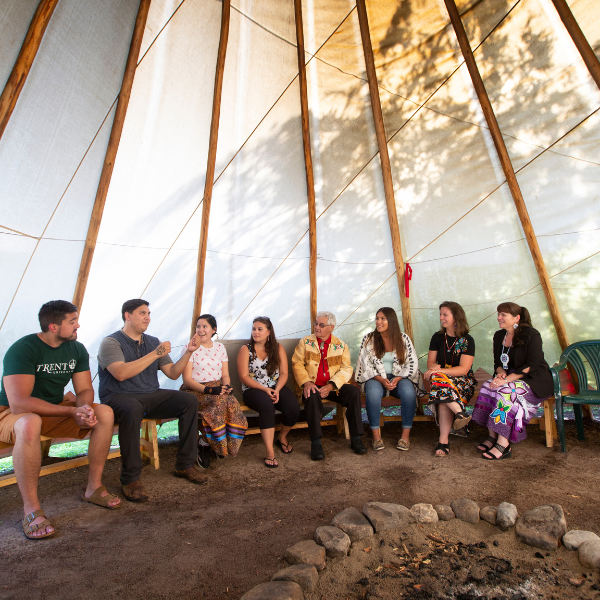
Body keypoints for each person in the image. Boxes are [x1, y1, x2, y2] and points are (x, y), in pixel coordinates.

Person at [0, 300, 121, 540]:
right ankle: (31, 510)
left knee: (104, 412)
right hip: (11, 413)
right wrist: (69, 412)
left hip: (54, 409)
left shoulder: (76, 349)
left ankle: (93, 488)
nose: (78, 325)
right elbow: (19, 403)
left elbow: (85, 388)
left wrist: (84, 409)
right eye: (72, 321)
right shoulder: (23, 349)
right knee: (29, 422)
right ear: (54, 327)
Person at [97, 299, 206, 502]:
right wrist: (155, 354)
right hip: (119, 396)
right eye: (142, 313)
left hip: (150, 394)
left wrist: (189, 352)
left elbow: (173, 374)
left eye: (148, 313)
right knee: (131, 408)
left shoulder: (153, 341)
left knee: (188, 400)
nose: (147, 317)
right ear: (127, 316)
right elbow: (120, 373)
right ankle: (130, 479)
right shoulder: (111, 342)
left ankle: (185, 465)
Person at [471, 302, 553, 460]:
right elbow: (498, 363)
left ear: (517, 318)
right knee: (488, 387)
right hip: (510, 376)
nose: (498, 318)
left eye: (503, 315)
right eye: (498, 314)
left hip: (534, 379)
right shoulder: (499, 335)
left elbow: (532, 365)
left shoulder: (531, 334)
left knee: (507, 392)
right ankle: (492, 435)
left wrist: (506, 380)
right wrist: (500, 375)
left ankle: (504, 444)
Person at [292, 311, 367, 460]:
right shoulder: (305, 342)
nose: (317, 327)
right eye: (316, 324)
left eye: (321, 325)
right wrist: (307, 382)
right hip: (312, 385)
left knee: (353, 392)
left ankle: (356, 438)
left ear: (331, 327)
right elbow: (297, 364)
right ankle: (316, 443)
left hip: (333, 387)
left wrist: (331, 385)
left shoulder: (341, 346)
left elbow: (346, 369)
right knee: (311, 395)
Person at [181, 314, 247, 468]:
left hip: (217, 388)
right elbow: (187, 380)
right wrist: (210, 390)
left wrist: (226, 387)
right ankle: (206, 444)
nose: (201, 330)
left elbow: (225, 374)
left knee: (231, 402)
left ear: (213, 330)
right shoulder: (189, 347)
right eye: (198, 327)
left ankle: (215, 442)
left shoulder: (220, 348)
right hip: (194, 389)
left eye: (205, 326)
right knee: (217, 404)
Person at [237, 316, 299, 468]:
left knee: (293, 408)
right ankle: (270, 452)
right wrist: (265, 389)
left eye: (260, 329)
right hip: (253, 389)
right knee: (267, 407)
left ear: (269, 332)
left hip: (275, 386)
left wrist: (277, 390)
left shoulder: (278, 348)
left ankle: (282, 437)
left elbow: (284, 373)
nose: (255, 332)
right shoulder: (246, 349)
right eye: (254, 329)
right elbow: (244, 377)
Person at [355, 307, 420, 452]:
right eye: (377, 318)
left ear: (391, 320)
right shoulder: (369, 339)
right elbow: (365, 365)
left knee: (409, 392)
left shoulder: (403, 339)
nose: (378, 321)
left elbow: (412, 363)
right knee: (372, 392)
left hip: (399, 377)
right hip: (376, 378)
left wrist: (397, 379)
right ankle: (376, 436)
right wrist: (382, 380)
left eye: (382, 318)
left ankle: (405, 436)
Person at [424, 301, 477, 457]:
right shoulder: (438, 337)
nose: (441, 318)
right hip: (443, 382)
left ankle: (443, 441)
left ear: (456, 316)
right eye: (440, 314)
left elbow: (463, 369)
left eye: (445, 314)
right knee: (442, 387)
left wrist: (439, 371)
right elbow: (430, 362)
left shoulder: (467, 340)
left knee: (440, 385)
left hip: (463, 381)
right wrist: (434, 368)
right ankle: (460, 413)